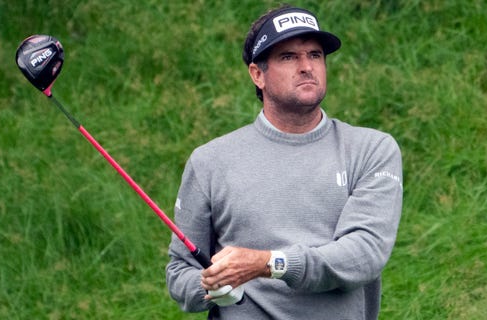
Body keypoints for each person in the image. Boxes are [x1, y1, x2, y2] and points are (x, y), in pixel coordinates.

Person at [166, 4, 403, 320]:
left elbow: (363, 255)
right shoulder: (209, 162)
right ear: (257, 74)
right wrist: (209, 286)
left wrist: (267, 264)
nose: (306, 66)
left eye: (315, 55)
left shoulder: (371, 149)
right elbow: (180, 272)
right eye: (288, 57)